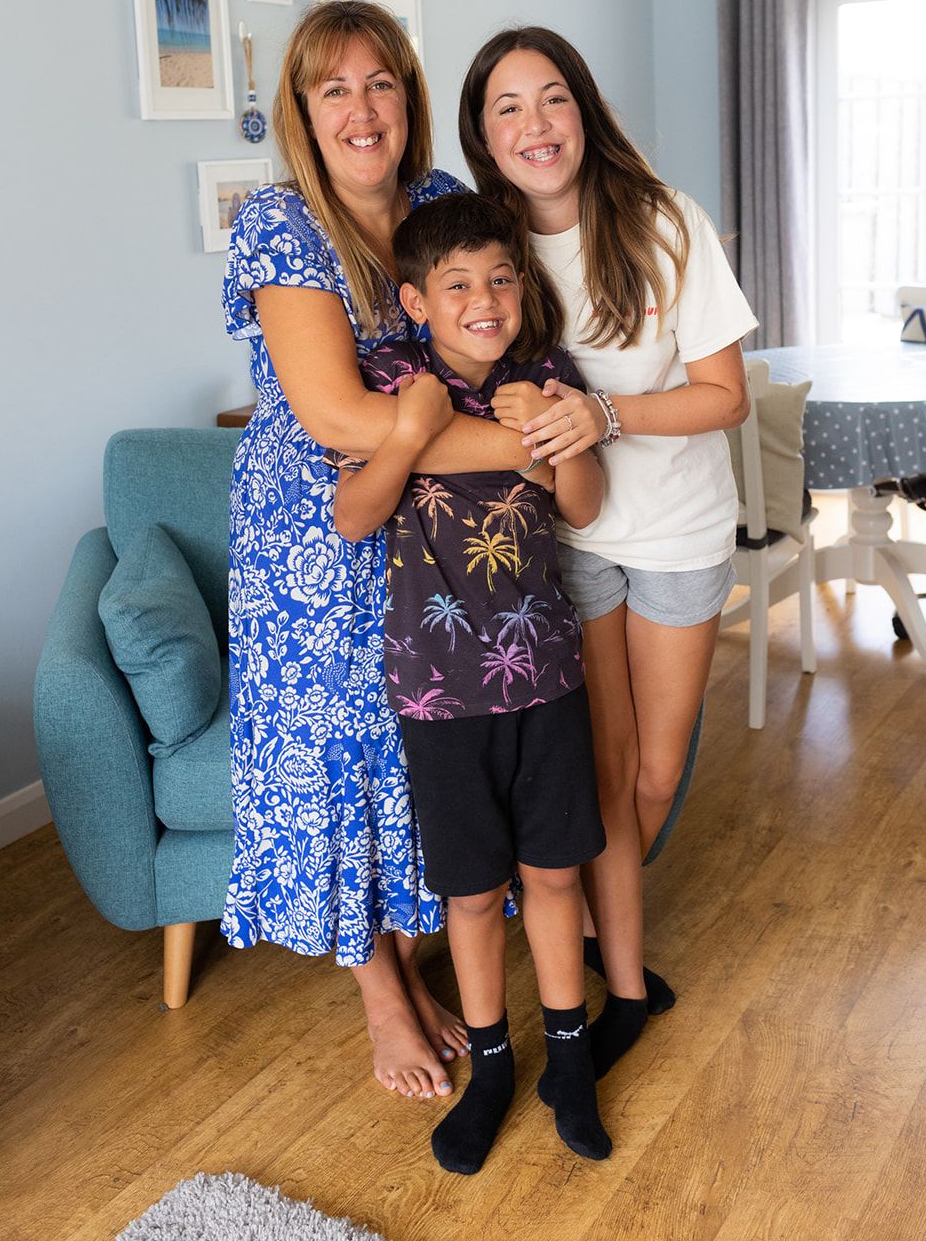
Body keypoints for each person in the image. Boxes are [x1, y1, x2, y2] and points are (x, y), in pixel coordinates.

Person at [221, 2, 546, 1104]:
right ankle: (379, 998)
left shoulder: (445, 205)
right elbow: (343, 416)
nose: (362, 110)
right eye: (334, 90)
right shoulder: (279, 222)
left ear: (408, 96)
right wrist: (537, 446)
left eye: (381, 84)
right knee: (335, 753)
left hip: (432, 529)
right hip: (315, 537)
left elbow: (492, 324)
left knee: (417, 757)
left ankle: (420, 954)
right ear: (304, 114)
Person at [459, 27, 757, 1082]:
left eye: (550, 99)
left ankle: (588, 935)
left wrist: (603, 414)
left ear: (582, 110)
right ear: (483, 135)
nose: (533, 124)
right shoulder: (484, 249)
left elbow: (726, 395)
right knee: (598, 772)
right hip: (567, 541)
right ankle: (600, 962)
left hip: (675, 533)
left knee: (652, 774)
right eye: (506, 107)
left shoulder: (663, 221)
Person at [330, 192, 612, 1176]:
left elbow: (581, 502)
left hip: (544, 676)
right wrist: (408, 434)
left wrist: (545, 441)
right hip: (437, 695)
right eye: (456, 285)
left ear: (521, 286)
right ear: (414, 299)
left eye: (499, 277)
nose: (482, 299)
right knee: (471, 890)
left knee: (551, 873)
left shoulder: (549, 378)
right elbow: (355, 516)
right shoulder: (389, 381)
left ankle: (567, 1057)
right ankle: (492, 1063)